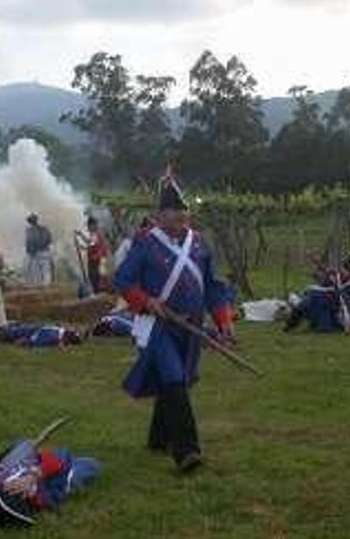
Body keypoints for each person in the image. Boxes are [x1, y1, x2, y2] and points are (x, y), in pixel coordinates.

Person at [112, 173, 235, 473]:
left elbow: (214, 285)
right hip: (158, 326)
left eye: (185, 213)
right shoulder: (144, 244)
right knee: (173, 379)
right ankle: (187, 452)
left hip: (190, 327)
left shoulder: (199, 244)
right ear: (159, 216)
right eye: (175, 213)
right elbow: (123, 280)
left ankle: (158, 438)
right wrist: (146, 300)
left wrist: (223, 319)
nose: (182, 218)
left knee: (177, 380)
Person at [284, 261, 350, 334]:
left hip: (338, 312)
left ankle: (318, 323)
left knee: (317, 299)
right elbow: (324, 285)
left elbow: (348, 302)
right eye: (342, 270)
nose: (342, 272)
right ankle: (294, 320)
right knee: (313, 298)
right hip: (325, 305)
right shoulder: (338, 277)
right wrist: (328, 277)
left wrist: (336, 288)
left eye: (345, 271)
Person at [76, 216, 109, 294]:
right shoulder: (94, 234)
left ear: (93, 225)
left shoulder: (97, 234)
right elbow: (90, 244)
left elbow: (101, 247)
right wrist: (80, 236)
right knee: (93, 277)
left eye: (89, 225)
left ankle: (99, 292)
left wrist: (82, 246)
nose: (88, 227)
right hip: (94, 259)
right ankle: (96, 291)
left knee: (98, 277)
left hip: (98, 260)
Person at [24, 214, 53, 287]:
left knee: (41, 271)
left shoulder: (32, 230)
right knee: (42, 271)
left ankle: (43, 286)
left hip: (39, 253)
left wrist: (32, 250)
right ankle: (43, 285)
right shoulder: (42, 229)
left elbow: (29, 243)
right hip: (41, 252)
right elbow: (49, 240)